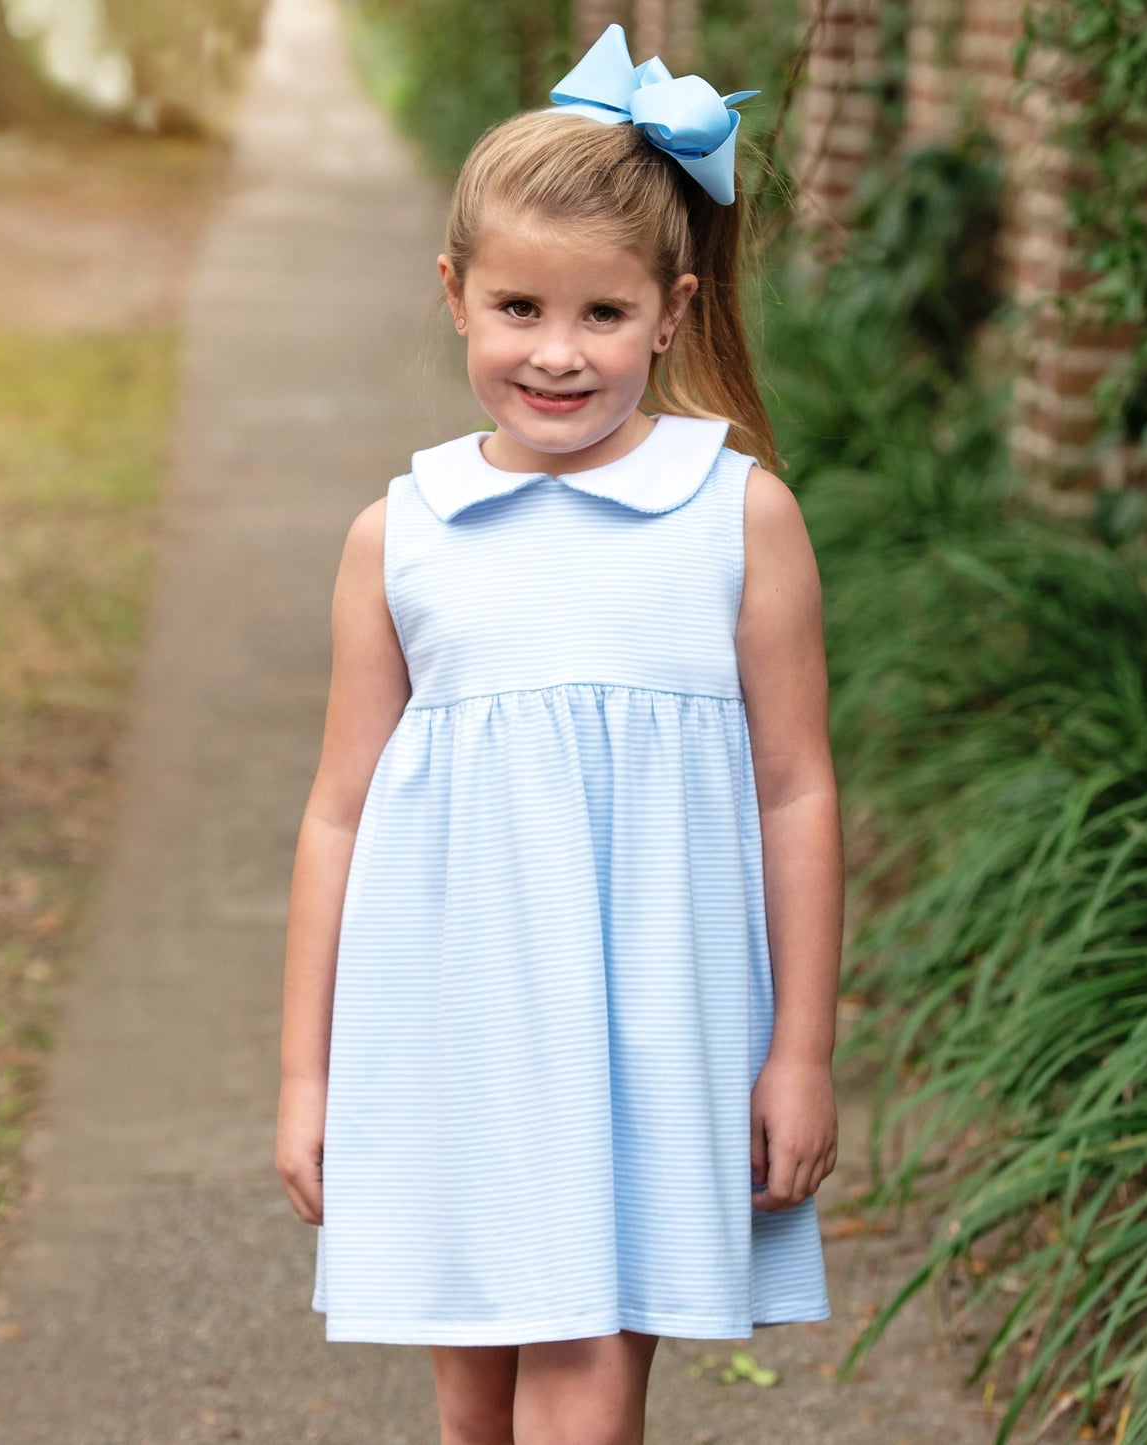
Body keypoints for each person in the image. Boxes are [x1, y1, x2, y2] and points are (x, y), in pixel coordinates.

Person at [276, 23, 844, 1445]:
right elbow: (338, 809)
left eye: (600, 315)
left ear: (672, 309)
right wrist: (306, 1070)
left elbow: (794, 789)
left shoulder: (735, 516)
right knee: (474, 1388)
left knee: (583, 1366)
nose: (556, 353)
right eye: (519, 307)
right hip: (452, 1030)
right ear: (457, 295)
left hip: (644, 1033)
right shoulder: (398, 537)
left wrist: (801, 1050)